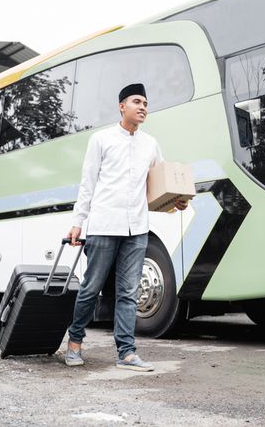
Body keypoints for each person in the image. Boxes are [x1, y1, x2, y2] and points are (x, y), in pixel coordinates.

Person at [64, 83, 187, 370]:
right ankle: (74, 342)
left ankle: (127, 353)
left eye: (145, 103)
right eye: (137, 101)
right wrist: (77, 222)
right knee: (91, 288)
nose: (143, 107)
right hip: (104, 225)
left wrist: (176, 201)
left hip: (137, 229)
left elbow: (161, 184)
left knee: (129, 293)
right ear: (122, 106)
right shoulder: (101, 139)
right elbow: (88, 183)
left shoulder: (151, 144)